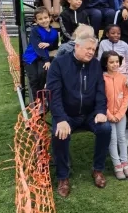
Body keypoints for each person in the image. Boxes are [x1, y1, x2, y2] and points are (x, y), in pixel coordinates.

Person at [46, 35, 112, 197]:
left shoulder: (95, 65)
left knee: (105, 128)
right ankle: (63, 176)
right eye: (88, 49)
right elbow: (53, 95)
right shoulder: (59, 64)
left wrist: (101, 111)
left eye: (93, 49)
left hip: (89, 114)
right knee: (59, 135)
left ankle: (98, 169)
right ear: (76, 47)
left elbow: (100, 91)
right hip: (67, 114)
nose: (91, 52)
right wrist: (61, 118)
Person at [101, 50, 128, 180]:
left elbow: (126, 97)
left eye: (117, 62)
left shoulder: (123, 78)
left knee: (122, 138)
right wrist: (109, 115)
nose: (114, 64)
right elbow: (101, 98)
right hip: (108, 115)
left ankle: (125, 164)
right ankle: (117, 165)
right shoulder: (102, 78)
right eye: (111, 62)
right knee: (112, 140)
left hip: (120, 115)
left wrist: (119, 114)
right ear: (106, 63)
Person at [23, 7, 59, 99]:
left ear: (50, 18)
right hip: (31, 57)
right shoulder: (35, 31)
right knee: (34, 78)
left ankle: (44, 99)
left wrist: (48, 44)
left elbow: (54, 46)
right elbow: (38, 47)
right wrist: (47, 60)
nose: (44, 20)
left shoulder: (54, 32)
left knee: (42, 75)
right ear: (36, 20)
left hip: (43, 57)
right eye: (40, 19)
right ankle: (37, 102)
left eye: (45, 17)